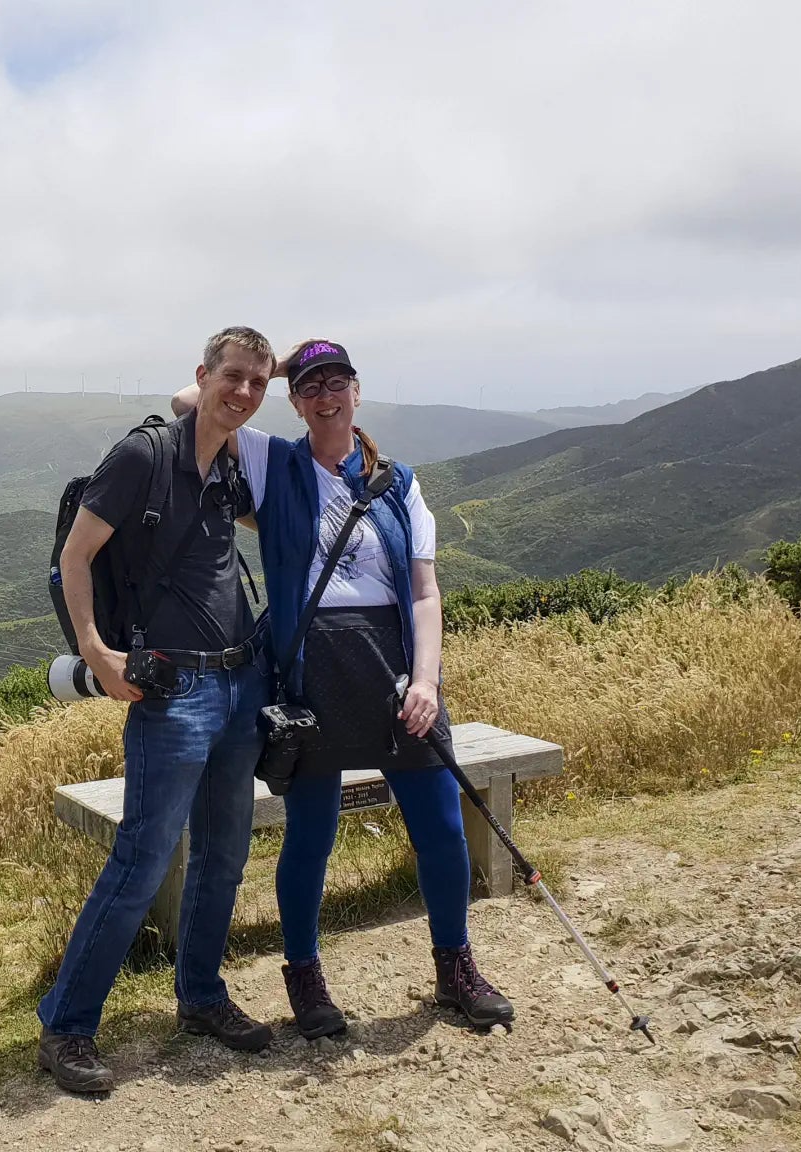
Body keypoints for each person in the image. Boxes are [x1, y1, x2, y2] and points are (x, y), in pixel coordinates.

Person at [173, 338, 514, 1040]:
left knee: (442, 828)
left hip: (394, 671)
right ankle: (305, 978)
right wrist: (242, 389)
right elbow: (186, 403)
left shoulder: (400, 483)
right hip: (311, 676)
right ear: (294, 402)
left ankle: (456, 969)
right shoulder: (275, 461)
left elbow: (424, 591)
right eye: (309, 387)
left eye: (337, 382)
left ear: (358, 391)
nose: (325, 396)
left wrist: (426, 680)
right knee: (312, 836)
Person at [37, 326, 277, 1094]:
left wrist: (225, 407)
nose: (242, 393)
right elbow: (76, 557)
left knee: (225, 857)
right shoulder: (144, 456)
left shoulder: (226, 467)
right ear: (202, 373)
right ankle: (68, 1027)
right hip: (172, 693)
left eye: (257, 383)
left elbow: (214, 410)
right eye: (230, 377)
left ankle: (201, 998)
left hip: (241, 686)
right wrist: (96, 652)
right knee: (142, 862)